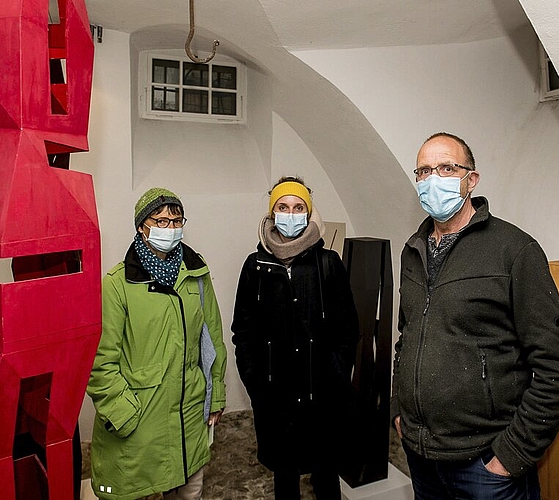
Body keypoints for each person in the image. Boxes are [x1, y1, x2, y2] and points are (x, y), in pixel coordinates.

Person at [391, 133, 559, 499]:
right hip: (422, 456)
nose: (434, 178)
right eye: (424, 171)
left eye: (447, 168)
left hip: (485, 467)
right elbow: (408, 337)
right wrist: (399, 411)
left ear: (471, 179)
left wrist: (510, 456)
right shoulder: (412, 251)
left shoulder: (514, 250)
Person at [87, 188, 227, 500]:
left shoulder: (196, 272)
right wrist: (124, 415)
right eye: (160, 221)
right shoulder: (117, 285)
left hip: (189, 415)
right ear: (141, 226)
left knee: (190, 491)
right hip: (140, 421)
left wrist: (215, 391)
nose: (171, 228)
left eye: (176, 221)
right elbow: (99, 363)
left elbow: (212, 336)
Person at [231, 176, 359, 499]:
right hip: (276, 402)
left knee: (327, 480)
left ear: (309, 213)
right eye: (283, 207)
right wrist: (255, 382)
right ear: (272, 214)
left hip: (323, 400)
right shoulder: (255, 266)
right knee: (285, 481)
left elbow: (348, 329)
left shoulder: (328, 264)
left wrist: (337, 372)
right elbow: (243, 332)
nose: (291, 213)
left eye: (298, 207)